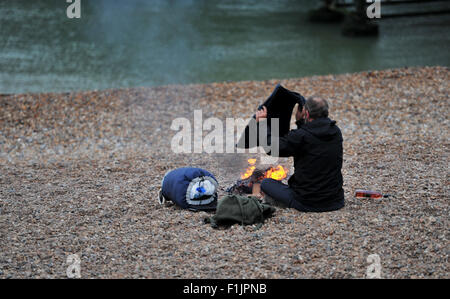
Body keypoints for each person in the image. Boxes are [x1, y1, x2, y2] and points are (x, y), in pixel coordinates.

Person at [255, 96, 344, 212]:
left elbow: (271, 147)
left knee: (266, 183)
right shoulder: (335, 132)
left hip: (305, 202)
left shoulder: (300, 136)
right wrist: (300, 122)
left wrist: (262, 123)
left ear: (306, 114)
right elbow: (310, 138)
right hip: (335, 200)